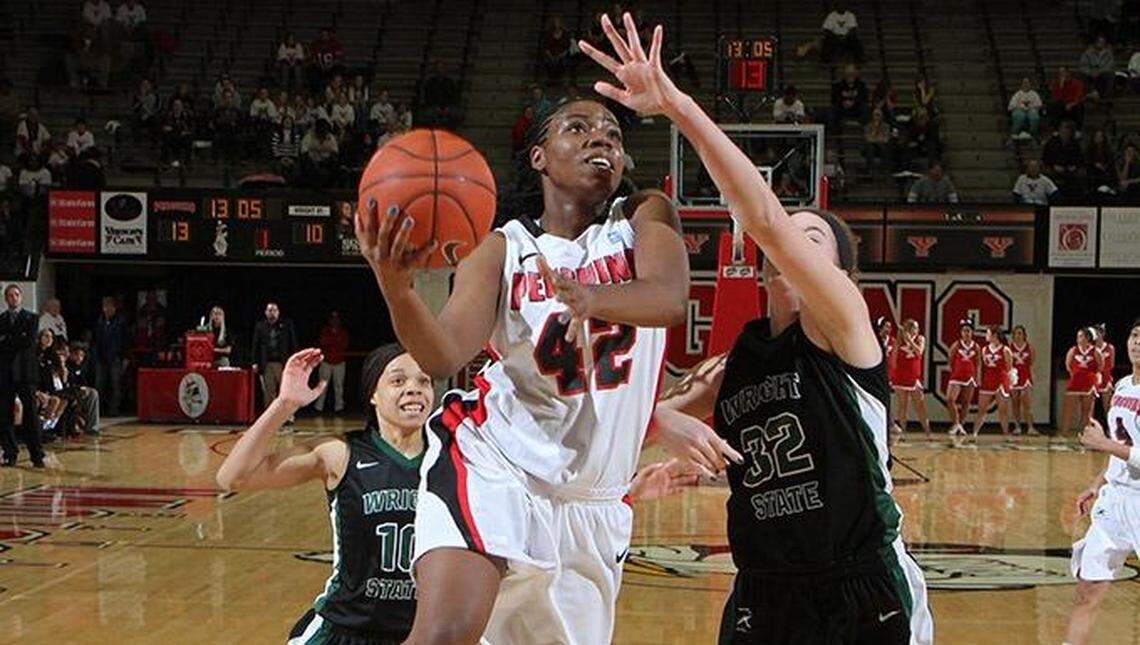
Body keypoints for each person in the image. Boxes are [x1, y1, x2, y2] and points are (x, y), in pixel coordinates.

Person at [355, 14, 711, 644]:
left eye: (612, 133)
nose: (601, 138)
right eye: (579, 127)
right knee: (442, 635)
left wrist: (590, 296)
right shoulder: (502, 248)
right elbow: (442, 354)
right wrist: (396, 287)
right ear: (539, 157)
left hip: (595, 499)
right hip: (496, 461)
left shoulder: (644, 216)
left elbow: (668, 299)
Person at [581, 15, 931, 644]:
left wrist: (678, 106)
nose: (791, 241)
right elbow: (631, 418)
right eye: (791, 234)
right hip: (764, 589)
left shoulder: (844, 327)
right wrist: (662, 426)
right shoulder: (737, 360)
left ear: (839, 273)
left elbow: (764, 218)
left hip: (859, 585)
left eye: (811, 238)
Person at [1066, 318, 1140, 645]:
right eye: (1135, 335)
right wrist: (1097, 483)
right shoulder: (1122, 386)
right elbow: (1120, 446)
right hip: (1115, 500)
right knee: (1088, 588)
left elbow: (1113, 445)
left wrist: (1104, 444)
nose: (1138, 342)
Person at [0, 284, 45, 467]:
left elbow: (28, 341)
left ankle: (37, 454)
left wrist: (7, 339)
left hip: (26, 373)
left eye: (16, 295)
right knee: (5, 414)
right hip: (5, 373)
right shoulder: (1, 319)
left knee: (31, 414)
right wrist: (16, 338)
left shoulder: (31, 318)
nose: (13, 298)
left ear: (21, 297)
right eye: (10, 295)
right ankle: (10, 453)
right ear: (5, 298)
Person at [251, 302, 298, 411]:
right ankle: (270, 414)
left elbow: (293, 344)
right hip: (267, 364)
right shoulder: (260, 326)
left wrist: (294, 361)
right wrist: (254, 362)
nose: (272, 313)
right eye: (270, 310)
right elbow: (255, 345)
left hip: (283, 363)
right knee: (269, 391)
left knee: (286, 390)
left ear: (278, 312)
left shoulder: (286, 324)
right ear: (266, 312)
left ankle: (287, 414)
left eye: (274, 310)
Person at [971, 326, 1014, 441]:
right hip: (987, 381)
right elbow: (981, 366)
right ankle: (974, 433)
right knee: (981, 409)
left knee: (1003, 410)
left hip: (1001, 382)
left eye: (988, 333)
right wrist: (978, 379)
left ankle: (1006, 435)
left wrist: (1011, 384)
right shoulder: (984, 349)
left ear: (995, 336)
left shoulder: (1005, 350)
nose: (986, 336)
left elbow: (1010, 369)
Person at [890, 319, 931, 439]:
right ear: (908, 329)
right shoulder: (898, 342)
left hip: (914, 378)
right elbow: (893, 361)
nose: (917, 330)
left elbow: (919, 352)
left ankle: (928, 432)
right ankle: (903, 432)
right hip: (900, 378)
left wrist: (910, 341)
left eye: (917, 328)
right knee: (902, 406)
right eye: (914, 328)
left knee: (920, 406)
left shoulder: (920, 339)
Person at [1062, 327, 1103, 437]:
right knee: (1068, 410)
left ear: (1087, 337)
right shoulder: (1073, 350)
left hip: (1089, 383)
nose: (1078, 339)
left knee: (1086, 411)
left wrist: (1093, 378)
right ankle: (1064, 434)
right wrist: (1076, 374)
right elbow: (1068, 365)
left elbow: (1100, 366)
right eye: (1077, 336)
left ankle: (1083, 434)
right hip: (1075, 382)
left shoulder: (1096, 351)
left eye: (1080, 336)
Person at [92, 295, 126, 417]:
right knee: (99, 384)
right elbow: (95, 340)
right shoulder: (99, 322)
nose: (107, 309)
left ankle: (114, 410)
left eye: (110, 307)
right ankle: (97, 410)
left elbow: (124, 340)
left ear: (114, 308)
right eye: (105, 306)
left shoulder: (120, 322)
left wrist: (124, 356)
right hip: (101, 358)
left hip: (115, 357)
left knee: (116, 384)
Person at [945, 321, 980, 437]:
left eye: (968, 331)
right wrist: (955, 371)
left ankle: (960, 425)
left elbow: (978, 363)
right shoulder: (956, 345)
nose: (966, 333)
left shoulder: (976, 347)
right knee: (950, 399)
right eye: (964, 331)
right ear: (961, 333)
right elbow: (950, 360)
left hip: (970, 377)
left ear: (972, 332)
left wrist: (977, 377)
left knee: (966, 402)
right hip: (956, 377)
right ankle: (956, 424)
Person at [315, 310, 349, 414]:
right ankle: (318, 408)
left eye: (336, 318)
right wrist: (334, 340)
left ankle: (339, 408)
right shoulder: (325, 331)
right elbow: (322, 342)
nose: (335, 321)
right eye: (333, 318)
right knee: (322, 386)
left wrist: (333, 341)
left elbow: (344, 344)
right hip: (326, 362)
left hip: (339, 362)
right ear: (330, 320)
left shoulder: (343, 332)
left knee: (339, 386)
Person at [66, 343, 99, 435]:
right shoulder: (66, 366)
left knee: (93, 393)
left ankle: (92, 427)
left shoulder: (81, 368)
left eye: (82, 356)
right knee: (91, 393)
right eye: (76, 355)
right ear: (70, 354)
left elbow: (84, 383)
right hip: (68, 393)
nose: (79, 358)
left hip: (78, 393)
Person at [1008, 325, 1035, 435]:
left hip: (1026, 377)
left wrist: (1032, 377)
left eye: (1020, 333)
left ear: (1024, 335)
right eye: (1016, 333)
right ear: (1013, 335)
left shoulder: (1030, 347)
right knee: (1015, 403)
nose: (1018, 335)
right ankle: (1017, 427)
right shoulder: (1010, 348)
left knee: (1027, 403)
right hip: (1014, 377)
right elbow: (1008, 365)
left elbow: (1031, 364)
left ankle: (1030, 427)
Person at [1094, 323, 1115, 424]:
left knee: (1108, 408)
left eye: (1098, 333)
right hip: (1093, 381)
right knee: (1089, 409)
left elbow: (1111, 365)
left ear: (1102, 334)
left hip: (1106, 380)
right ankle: (1088, 430)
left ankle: (1110, 430)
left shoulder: (1110, 348)